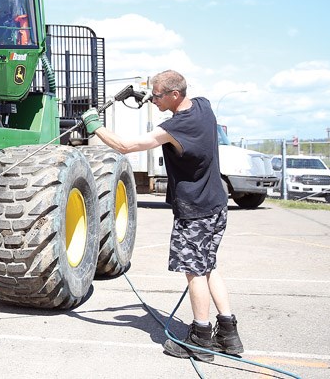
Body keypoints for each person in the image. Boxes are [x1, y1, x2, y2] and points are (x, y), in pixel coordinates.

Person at [81, 70, 244, 363]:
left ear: (174, 96)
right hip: (217, 204)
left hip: (195, 211)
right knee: (209, 267)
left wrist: (95, 126)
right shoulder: (204, 105)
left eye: (157, 96)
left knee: (194, 273)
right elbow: (174, 97)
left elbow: (125, 147)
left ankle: (201, 337)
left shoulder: (174, 128)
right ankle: (229, 333)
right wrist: (146, 98)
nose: (153, 99)